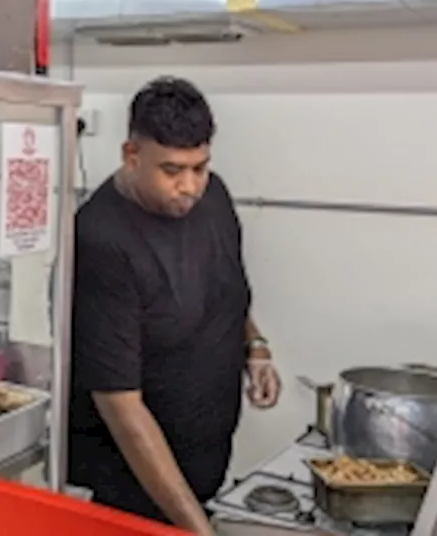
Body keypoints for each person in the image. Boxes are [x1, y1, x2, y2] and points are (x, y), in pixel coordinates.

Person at [67, 77, 281, 534]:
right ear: (131, 155)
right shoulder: (102, 240)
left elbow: (226, 288)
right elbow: (120, 405)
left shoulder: (214, 195)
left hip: (202, 467)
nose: (189, 186)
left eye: (199, 167)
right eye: (171, 170)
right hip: (130, 493)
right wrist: (197, 528)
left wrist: (255, 346)